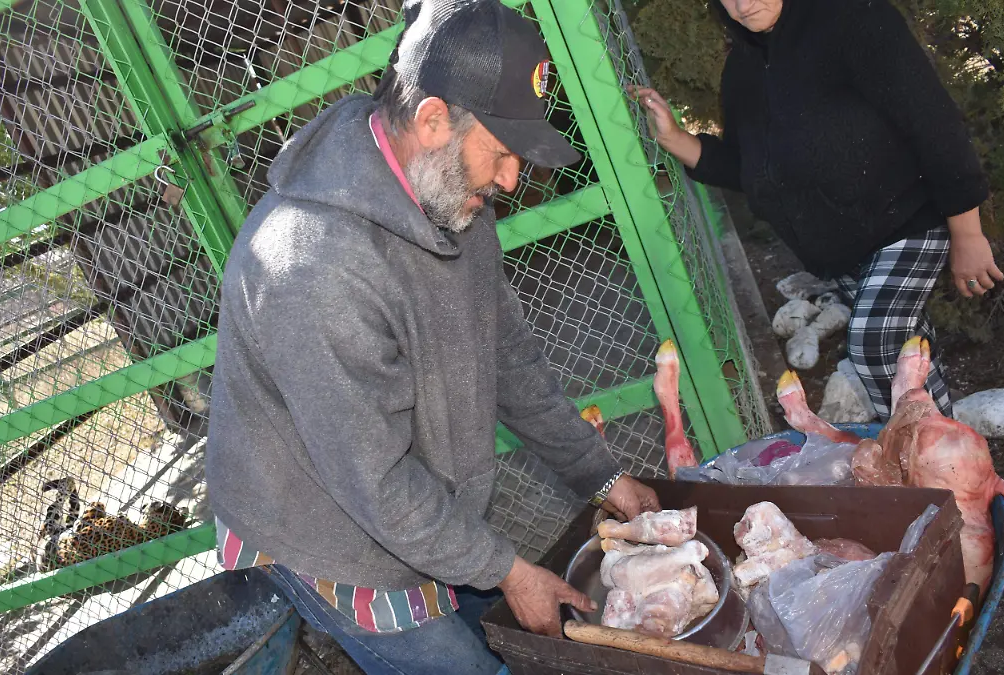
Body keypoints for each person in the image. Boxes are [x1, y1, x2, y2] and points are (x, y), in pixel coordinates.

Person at [203, 1, 661, 673]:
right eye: (502, 153)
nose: (510, 180)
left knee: (483, 598)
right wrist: (505, 567)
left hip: (401, 489)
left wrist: (602, 474)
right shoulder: (315, 270)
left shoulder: (450, 192)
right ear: (433, 120)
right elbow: (377, 484)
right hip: (326, 522)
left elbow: (509, 357)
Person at [632, 0, 1003, 421]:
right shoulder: (742, 70)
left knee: (874, 345)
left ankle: (924, 471)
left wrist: (967, 233)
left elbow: (933, 123)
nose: (742, 4)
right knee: (906, 355)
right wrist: (677, 139)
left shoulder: (854, 19)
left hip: (906, 221)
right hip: (842, 254)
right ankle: (954, 464)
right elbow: (752, 169)